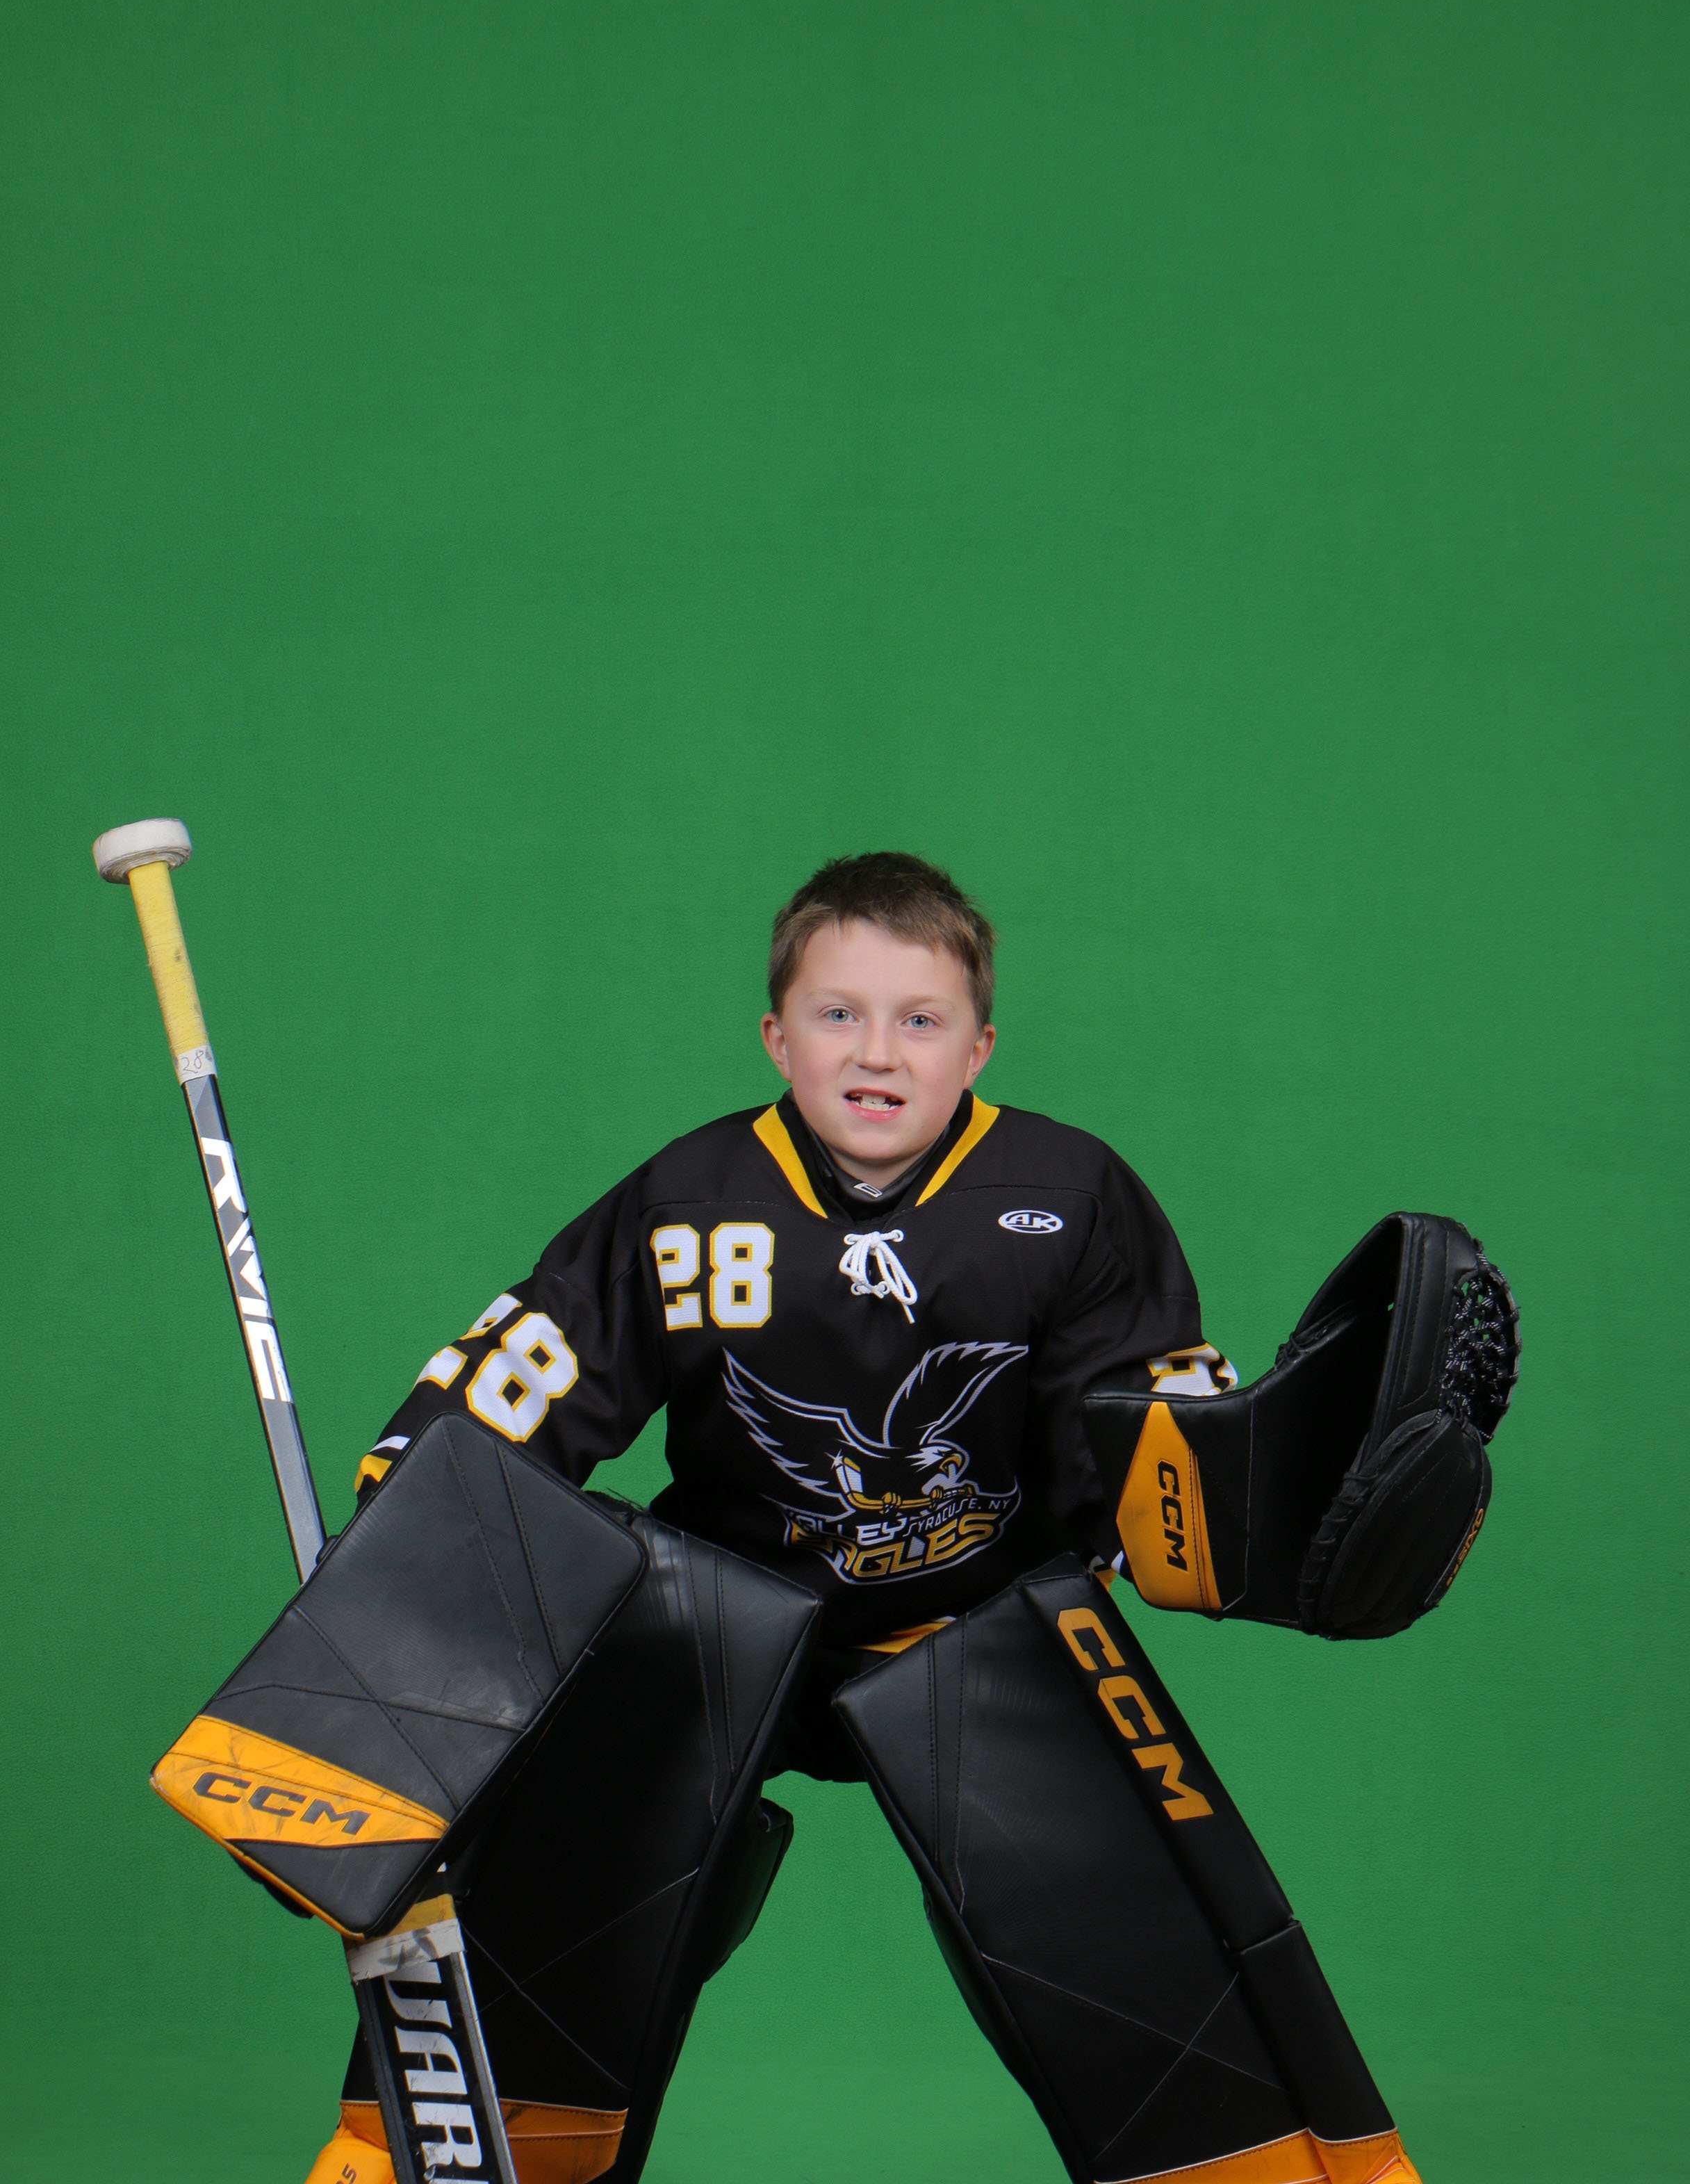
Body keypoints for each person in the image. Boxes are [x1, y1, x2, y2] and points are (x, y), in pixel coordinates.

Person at [306, 851, 1408, 2184]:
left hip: (981, 1623)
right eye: (838, 1014)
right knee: (565, 1875)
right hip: (722, 1618)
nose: (877, 1052)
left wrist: (1250, 1519)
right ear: (778, 1035)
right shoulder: (688, 1204)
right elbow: (522, 1388)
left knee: (1127, 1908)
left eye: (919, 1019)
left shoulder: (1070, 1194)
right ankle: (446, 2156)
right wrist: (398, 1541)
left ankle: (1265, 2169)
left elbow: (1132, 1447)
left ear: (978, 1048)